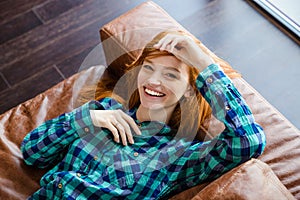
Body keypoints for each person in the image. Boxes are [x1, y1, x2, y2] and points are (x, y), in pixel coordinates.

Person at [21, 31, 266, 199]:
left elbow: (248, 142)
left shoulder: (178, 156)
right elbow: (32, 153)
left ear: (190, 91)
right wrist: (89, 120)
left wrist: (202, 62)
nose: (153, 81)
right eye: (148, 68)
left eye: (170, 75)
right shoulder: (103, 110)